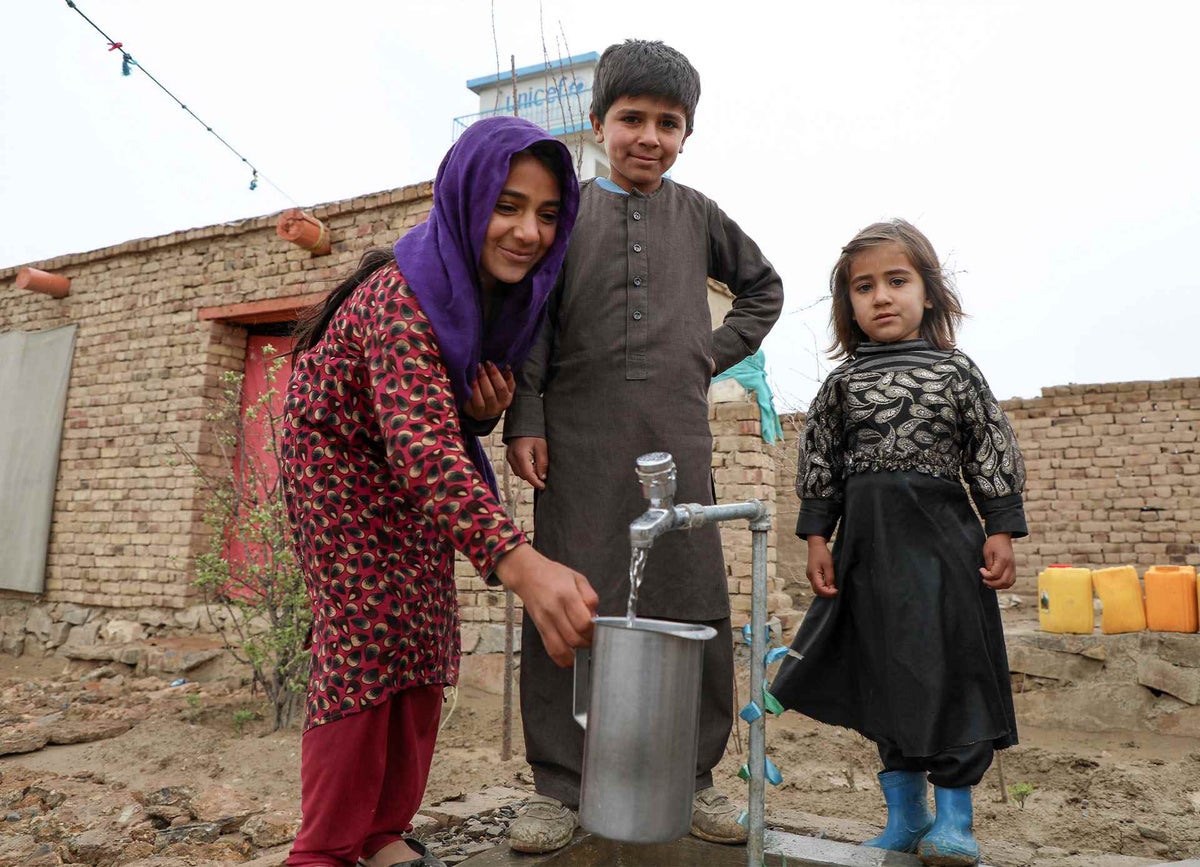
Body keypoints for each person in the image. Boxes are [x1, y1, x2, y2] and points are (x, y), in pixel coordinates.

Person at [280, 115, 598, 867]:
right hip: (342, 477)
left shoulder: (479, 297)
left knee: (423, 638)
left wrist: (477, 414)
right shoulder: (403, 296)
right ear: (464, 200)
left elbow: (432, 420)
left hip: (406, 481)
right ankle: (323, 848)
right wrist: (524, 564)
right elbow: (420, 447)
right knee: (366, 640)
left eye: (548, 214)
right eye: (507, 205)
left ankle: (382, 830)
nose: (528, 231)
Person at [503, 39, 784, 853]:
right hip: (577, 442)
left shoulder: (698, 214)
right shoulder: (567, 217)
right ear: (598, 124)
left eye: (669, 123)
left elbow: (763, 287)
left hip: (675, 436)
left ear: (687, 134)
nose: (650, 137)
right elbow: (533, 326)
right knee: (567, 602)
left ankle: (692, 779)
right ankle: (559, 785)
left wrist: (709, 349)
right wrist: (526, 412)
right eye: (632, 119)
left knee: (689, 596)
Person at [769, 219, 1026, 867]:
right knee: (884, 675)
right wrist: (815, 537)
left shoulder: (955, 372)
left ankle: (955, 823)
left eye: (897, 280)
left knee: (955, 670)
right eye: (864, 286)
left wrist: (1000, 527)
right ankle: (906, 815)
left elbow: (990, 448)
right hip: (868, 558)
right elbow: (821, 462)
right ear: (847, 303)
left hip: (947, 555)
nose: (881, 295)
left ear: (928, 292)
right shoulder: (843, 384)